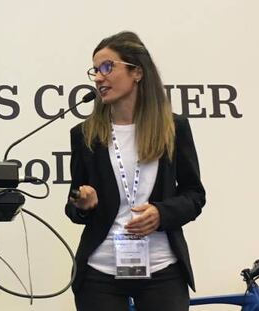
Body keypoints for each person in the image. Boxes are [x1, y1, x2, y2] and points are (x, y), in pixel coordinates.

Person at [65, 31, 206, 311]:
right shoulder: (84, 135)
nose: (98, 78)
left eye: (107, 67)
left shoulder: (173, 129)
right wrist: (82, 204)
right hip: (100, 273)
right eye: (95, 70)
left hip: (162, 269)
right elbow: (73, 208)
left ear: (137, 72)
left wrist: (161, 213)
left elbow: (194, 195)